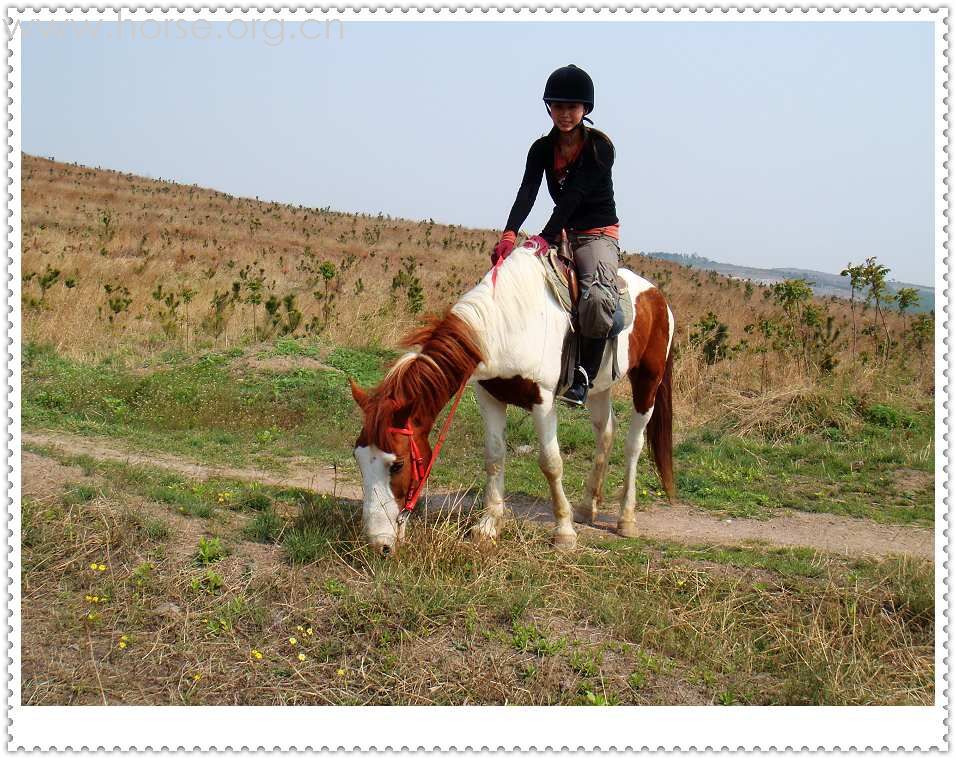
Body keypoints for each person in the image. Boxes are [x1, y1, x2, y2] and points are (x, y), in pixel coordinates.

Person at [492, 64, 621, 407]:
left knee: (595, 299)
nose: (565, 114)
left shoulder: (600, 148)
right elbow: (527, 192)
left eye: (573, 107)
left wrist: (544, 237)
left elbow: (574, 196)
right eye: (558, 106)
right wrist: (509, 234)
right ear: (549, 107)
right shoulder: (540, 149)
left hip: (597, 235)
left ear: (585, 110)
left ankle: (584, 376)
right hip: (563, 232)